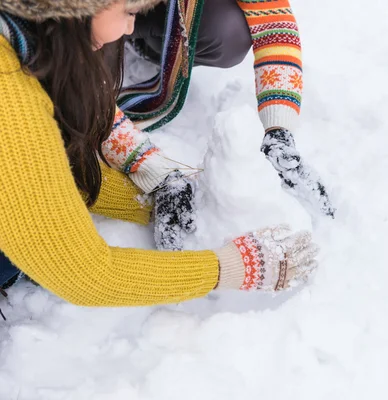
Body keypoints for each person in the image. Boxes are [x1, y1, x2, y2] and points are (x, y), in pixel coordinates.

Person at [0, 0, 319, 307]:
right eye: (129, 11)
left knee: (226, 29)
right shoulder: (11, 97)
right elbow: (85, 273)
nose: (130, 27)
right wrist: (231, 268)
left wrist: (153, 195)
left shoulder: (30, 34)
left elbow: (40, 177)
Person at [124, 0, 336, 219]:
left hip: (154, 14)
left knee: (230, 30)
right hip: (94, 12)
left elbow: (274, 24)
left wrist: (278, 131)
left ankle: (132, 34)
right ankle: (101, 39)